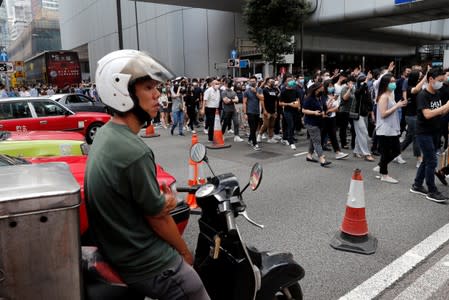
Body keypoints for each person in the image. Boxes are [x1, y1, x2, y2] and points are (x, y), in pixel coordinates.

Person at [85, 49, 209, 300]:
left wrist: (162, 203)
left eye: (157, 88)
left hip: (119, 249)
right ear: (123, 93)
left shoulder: (108, 134)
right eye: (148, 88)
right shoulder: (133, 151)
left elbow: (133, 199)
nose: (158, 96)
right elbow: (158, 218)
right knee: (193, 286)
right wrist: (184, 253)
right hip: (145, 261)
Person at [410, 68, 449, 202]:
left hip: (435, 131)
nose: (441, 84)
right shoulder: (423, 95)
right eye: (439, 81)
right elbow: (427, 114)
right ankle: (432, 191)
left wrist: (446, 108)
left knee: (427, 160)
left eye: (443, 81)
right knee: (432, 161)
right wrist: (444, 107)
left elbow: (439, 113)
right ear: (431, 79)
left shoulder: (437, 93)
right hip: (424, 132)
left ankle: (417, 185)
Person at [373, 73, 407, 184]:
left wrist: (398, 104)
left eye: (394, 81)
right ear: (385, 84)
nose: (394, 83)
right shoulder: (383, 96)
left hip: (391, 128)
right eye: (391, 82)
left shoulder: (389, 95)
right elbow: (383, 114)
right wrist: (397, 106)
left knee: (396, 150)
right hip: (385, 129)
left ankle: (381, 166)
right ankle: (384, 174)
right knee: (388, 152)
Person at [302, 82, 331, 167]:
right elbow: (303, 110)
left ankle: (309, 155)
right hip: (311, 122)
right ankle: (322, 159)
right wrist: (314, 112)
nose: (323, 88)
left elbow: (323, 108)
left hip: (319, 122)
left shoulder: (321, 97)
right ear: (317, 89)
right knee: (317, 140)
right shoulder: (309, 98)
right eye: (321, 87)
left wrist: (325, 112)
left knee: (313, 139)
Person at [321, 80, 348, 160]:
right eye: (329, 86)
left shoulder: (334, 96)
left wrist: (331, 110)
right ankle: (317, 150)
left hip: (332, 118)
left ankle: (338, 152)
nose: (331, 87)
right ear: (326, 87)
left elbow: (337, 108)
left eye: (332, 86)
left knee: (333, 135)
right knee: (322, 135)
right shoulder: (323, 96)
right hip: (325, 118)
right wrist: (331, 101)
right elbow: (325, 107)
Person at [279, 76, 300, 150]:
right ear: (285, 82)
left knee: (292, 126)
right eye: (289, 80)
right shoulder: (283, 91)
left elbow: (298, 99)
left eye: (291, 80)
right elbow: (280, 103)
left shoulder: (295, 90)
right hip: (287, 111)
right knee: (290, 125)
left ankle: (285, 138)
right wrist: (289, 104)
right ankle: (291, 142)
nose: (291, 81)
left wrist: (298, 105)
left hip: (295, 110)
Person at [243, 76, 264, 151]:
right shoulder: (246, 91)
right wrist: (245, 113)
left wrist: (256, 92)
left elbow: (262, 98)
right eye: (251, 81)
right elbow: (244, 103)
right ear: (249, 82)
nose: (252, 82)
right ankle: (255, 144)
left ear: (256, 81)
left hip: (257, 112)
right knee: (252, 127)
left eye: (254, 81)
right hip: (250, 112)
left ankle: (249, 139)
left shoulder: (259, 89)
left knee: (255, 128)